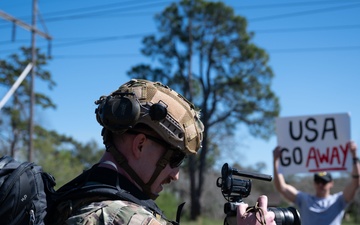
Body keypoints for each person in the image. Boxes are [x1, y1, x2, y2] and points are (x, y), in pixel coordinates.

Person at [48, 79, 276, 225]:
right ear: (139, 145)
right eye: (175, 159)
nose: (175, 175)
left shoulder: (71, 198)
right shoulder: (125, 219)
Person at [273, 141, 360, 225]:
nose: (320, 184)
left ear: (331, 183)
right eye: (318, 181)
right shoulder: (304, 200)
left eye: (324, 181)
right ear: (314, 183)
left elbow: (355, 183)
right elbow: (282, 187)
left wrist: (354, 155)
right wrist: (276, 161)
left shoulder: (339, 200)